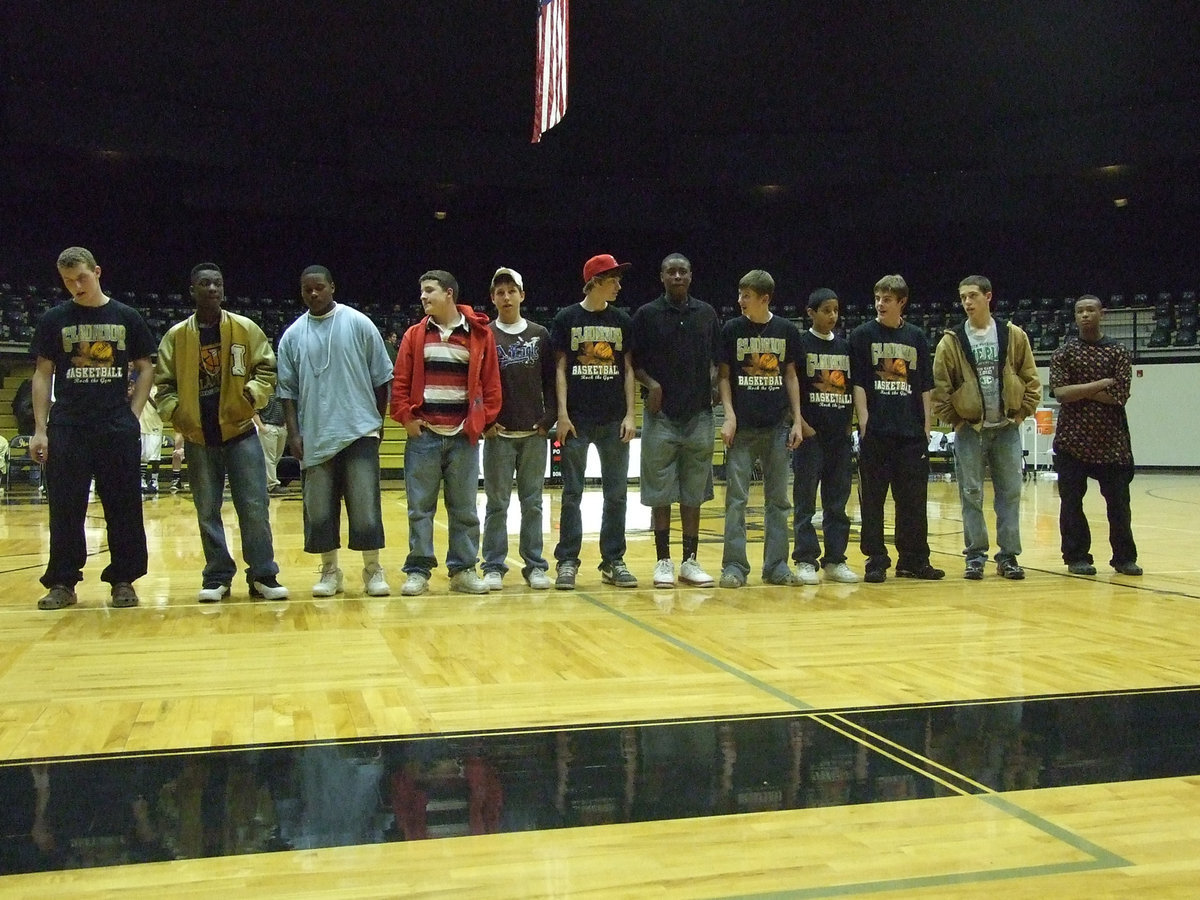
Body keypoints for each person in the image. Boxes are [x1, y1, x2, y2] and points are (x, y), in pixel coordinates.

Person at [29, 247, 156, 610]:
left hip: (116, 424)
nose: (75, 286)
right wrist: (41, 429)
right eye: (68, 281)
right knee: (66, 507)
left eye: (81, 278)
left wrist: (133, 413)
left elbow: (145, 366)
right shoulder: (55, 319)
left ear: (97, 272)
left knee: (123, 505)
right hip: (68, 425)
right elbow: (42, 373)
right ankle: (62, 583)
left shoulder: (126, 316)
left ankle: (123, 579)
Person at [155, 263, 289, 602]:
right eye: (204, 284)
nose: (212, 289)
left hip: (240, 430)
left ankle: (263, 575)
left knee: (254, 506)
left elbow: (267, 368)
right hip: (199, 436)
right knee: (207, 510)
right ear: (192, 291)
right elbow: (163, 384)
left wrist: (252, 396)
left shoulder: (245, 329)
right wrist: (177, 414)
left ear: (223, 290)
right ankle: (217, 575)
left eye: (217, 283)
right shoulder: (176, 337)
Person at [277, 265, 394, 597]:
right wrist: (294, 433)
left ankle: (372, 570)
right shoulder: (292, 335)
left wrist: (377, 421)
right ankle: (330, 571)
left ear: (332, 287)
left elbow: (382, 377)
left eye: (319, 288)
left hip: (359, 431)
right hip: (315, 435)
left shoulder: (358, 323)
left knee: (366, 507)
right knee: (319, 511)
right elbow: (287, 392)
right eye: (306, 290)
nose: (313, 294)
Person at [391, 270, 501, 596]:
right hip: (423, 436)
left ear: (449, 293)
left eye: (429, 291)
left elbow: (492, 384)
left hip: (462, 438)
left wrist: (482, 421)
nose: (423, 297)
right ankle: (418, 571)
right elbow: (400, 384)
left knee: (464, 509)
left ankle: (464, 570)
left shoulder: (479, 335)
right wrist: (406, 419)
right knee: (420, 509)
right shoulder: (414, 335)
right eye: (422, 292)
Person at [933, 276, 1041, 580]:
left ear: (988, 297)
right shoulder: (951, 341)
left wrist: (1019, 416)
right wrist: (956, 421)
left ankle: (1008, 557)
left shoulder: (1013, 335)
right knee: (971, 494)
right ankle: (975, 556)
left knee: (1010, 493)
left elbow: (1031, 380)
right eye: (963, 297)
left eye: (972, 296)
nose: (967, 302)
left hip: (1006, 427)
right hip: (969, 430)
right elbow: (941, 389)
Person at [631, 253, 719, 589]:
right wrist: (651, 384)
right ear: (662, 277)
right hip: (661, 417)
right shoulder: (646, 315)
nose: (678, 276)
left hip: (699, 415)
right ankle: (663, 561)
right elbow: (633, 363)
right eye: (672, 271)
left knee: (693, 493)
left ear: (691, 276)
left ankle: (690, 561)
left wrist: (711, 384)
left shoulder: (707, 313)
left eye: (683, 270)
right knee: (660, 492)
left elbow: (717, 360)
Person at [550, 254, 638, 590]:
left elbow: (629, 370)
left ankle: (613, 560)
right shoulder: (567, 318)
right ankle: (568, 561)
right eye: (613, 279)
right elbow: (559, 369)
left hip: (614, 418)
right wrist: (562, 414)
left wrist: (631, 414)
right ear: (595, 281)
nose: (618, 285)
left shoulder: (622, 321)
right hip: (576, 420)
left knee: (616, 495)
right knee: (572, 493)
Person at [849, 274, 945, 583]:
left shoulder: (916, 337)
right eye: (877, 298)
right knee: (873, 501)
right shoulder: (862, 335)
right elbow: (859, 382)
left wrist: (926, 426)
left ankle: (914, 559)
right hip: (876, 432)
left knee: (913, 501)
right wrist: (863, 419)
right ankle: (876, 559)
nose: (880, 303)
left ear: (901, 302)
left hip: (910, 434)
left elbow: (924, 386)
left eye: (887, 299)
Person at [717, 270, 805, 588]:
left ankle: (777, 565)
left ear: (764, 298)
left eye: (747, 296)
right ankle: (734, 566)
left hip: (777, 428)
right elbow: (724, 377)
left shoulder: (785, 330)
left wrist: (797, 420)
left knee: (778, 500)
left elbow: (791, 377)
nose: (740, 301)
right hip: (742, 430)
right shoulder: (731, 330)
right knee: (736, 500)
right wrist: (729, 416)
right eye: (740, 294)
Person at [1048, 295, 1141, 576]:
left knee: (1119, 505)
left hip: (1112, 442)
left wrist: (1078, 389)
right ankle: (1077, 556)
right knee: (1071, 503)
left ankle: (1124, 557)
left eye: (1090, 310)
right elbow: (1061, 394)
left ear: (1102, 313)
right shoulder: (1063, 353)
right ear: (1075, 316)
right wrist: (1100, 383)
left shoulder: (1119, 351)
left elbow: (1120, 396)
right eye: (1080, 311)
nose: (1085, 315)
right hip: (1072, 441)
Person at [480, 267, 556, 591]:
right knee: (497, 504)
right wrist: (484, 420)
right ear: (493, 298)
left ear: (522, 295)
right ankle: (493, 565)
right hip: (498, 435)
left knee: (533, 503)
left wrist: (550, 417)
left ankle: (535, 565)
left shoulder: (540, 334)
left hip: (533, 435)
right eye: (500, 292)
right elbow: (477, 384)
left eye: (512, 291)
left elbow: (552, 381)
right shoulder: (485, 335)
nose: (506, 297)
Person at [791, 289, 859, 584]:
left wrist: (850, 423)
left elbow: (854, 389)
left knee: (837, 503)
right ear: (811, 313)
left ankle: (835, 559)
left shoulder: (845, 347)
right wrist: (801, 423)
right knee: (805, 502)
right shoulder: (801, 345)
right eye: (826, 310)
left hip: (839, 437)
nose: (832, 316)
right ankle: (805, 559)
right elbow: (789, 386)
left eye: (835, 310)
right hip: (810, 436)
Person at [253, 392, 289, 494]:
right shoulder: (262, 392)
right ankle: (272, 484)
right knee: (269, 458)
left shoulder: (281, 391)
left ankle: (266, 482)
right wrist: (262, 427)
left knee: (276, 457)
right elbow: (254, 411)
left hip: (281, 427)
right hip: (268, 426)